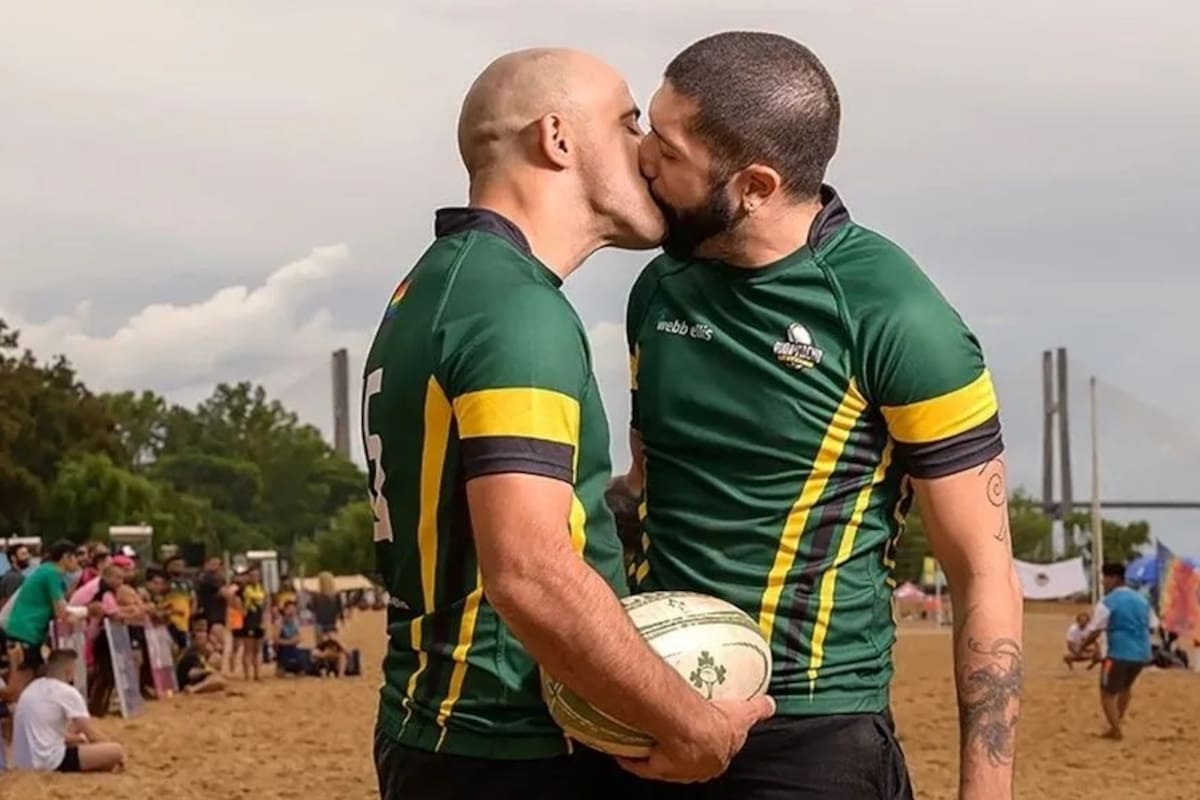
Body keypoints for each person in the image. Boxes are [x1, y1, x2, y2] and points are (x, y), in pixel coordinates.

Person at [615, 31, 1024, 800]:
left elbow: (984, 573)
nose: (641, 160)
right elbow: (645, 485)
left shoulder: (898, 316)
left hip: (812, 728)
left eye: (667, 151)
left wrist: (987, 793)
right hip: (657, 709)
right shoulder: (658, 288)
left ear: (755, 185)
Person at [362, 47, 772, 800]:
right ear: (556, 138)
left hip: (436, 729)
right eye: (628, 123)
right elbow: (531, 574)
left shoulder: (436, 286)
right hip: (509, 747)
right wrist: (694, 727)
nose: (648, 151)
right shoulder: (514, 308)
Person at [11, 648, 125, 772]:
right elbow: (92, 735)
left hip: (24, 761)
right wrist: (111, 746)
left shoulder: (33, 687)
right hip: (50, 761)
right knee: (116, 750)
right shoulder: (67, 692)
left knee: (77, 732)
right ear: (69, 670)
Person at [1079, 563, 1157, 741]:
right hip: (1141, 654)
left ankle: (1115, 730)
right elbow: (1153, 625)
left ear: (1114, 578)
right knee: (1125, 688)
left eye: (1105, 578)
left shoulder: (1109, 602)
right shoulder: (1142, 601)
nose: (1103, 582)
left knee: (1107, 693)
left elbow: (1095, 630)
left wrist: (1082, 647)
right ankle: (1116, 723)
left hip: (1118, 653)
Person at [1, 540, 84, 701]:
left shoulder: (47, 572)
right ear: (66, 557)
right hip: (24, 633)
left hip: (28, 634)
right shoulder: (51, 574)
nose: (78, 561)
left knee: (32, 684)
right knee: (14, 691)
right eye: (75, 556)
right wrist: (84, 612)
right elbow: (61, 611)